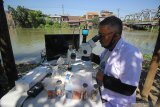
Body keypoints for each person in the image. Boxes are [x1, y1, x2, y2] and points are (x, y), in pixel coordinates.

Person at [91, 16, 143, 107]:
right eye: (99, 34)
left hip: (116, 103)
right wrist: (90, 56)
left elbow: (129, 89)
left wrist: (103, 78)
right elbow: (102, 62)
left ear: (116, 36)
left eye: (102, 36)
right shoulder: (109, 49)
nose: (99, 39)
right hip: (102, 95)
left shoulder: (131, 53)